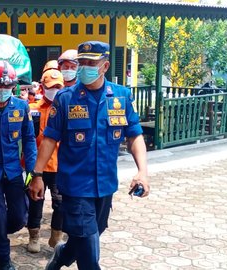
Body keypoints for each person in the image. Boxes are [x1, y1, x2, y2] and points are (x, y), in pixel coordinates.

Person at [28, 41, 150, 270]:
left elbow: (135, 136)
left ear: (104, 66)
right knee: (90, 254)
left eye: (90, 63)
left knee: (90, 233)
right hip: (75, 187)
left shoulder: (121, 97)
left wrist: (143, 172)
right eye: (80, 62)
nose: (83, 67)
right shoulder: (65, 99)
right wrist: (37, 175)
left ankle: (61, 255)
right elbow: (49, 139)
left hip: (105, 185)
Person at [0, 60, 37, 270]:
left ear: (13, 86)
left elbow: (29, 139)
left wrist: (32, 172)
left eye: (7, 86)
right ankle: (4, 259)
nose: (2, 90)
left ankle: (0, 233)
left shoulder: (22, 107)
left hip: (15, 172)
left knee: (19, 217)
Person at [27, 51, 79, 253]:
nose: (54, 90)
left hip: (59, 166)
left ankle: (56, 235)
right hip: (33, 167)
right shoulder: (31, 108)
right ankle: (34, 235)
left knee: (60, 202)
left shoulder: (69, 107)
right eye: (50, 87)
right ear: (42, 87)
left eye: (58, 87)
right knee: (33, 200)